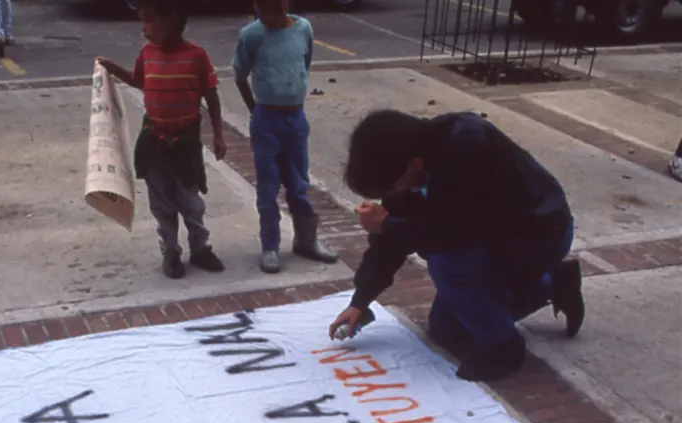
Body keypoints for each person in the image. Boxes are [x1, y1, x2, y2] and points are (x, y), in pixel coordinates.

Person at [328, 110, 585, 382]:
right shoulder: (410, 161)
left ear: (414, 164)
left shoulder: (468, 148)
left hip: (540, 234)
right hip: (494, 239)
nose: (391, 196)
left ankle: (504, 350)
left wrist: (387, 224)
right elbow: (394, 238)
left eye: (391, 189)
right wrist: (360, 300)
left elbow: (450, 234)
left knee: (447, 263)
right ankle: (554, 283)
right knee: (446, 330)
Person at [97, 0, 226, 280]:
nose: (144, 28)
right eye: (142, 21)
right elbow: (138, 80)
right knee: (162, 204)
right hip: (155, 144)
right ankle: (170, 251)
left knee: (191, 203)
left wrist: (218, 134)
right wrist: (112, 69)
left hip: (186, 146)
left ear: (173, 18)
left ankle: (200, 248)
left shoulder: (196, 57)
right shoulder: (147, 54)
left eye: (150, 20)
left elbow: (211, 96)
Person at [233, 0, 338, 274]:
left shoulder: (303, 29)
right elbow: (240, 75)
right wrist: (255, 110)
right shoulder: (251, 35)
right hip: (267, 118)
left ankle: (306, 239)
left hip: (295, 117)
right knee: (268, 186)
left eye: (275, 8)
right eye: (262, 8)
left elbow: (305, 63)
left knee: (299, 180)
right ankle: (270, 245)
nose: (269, 15)